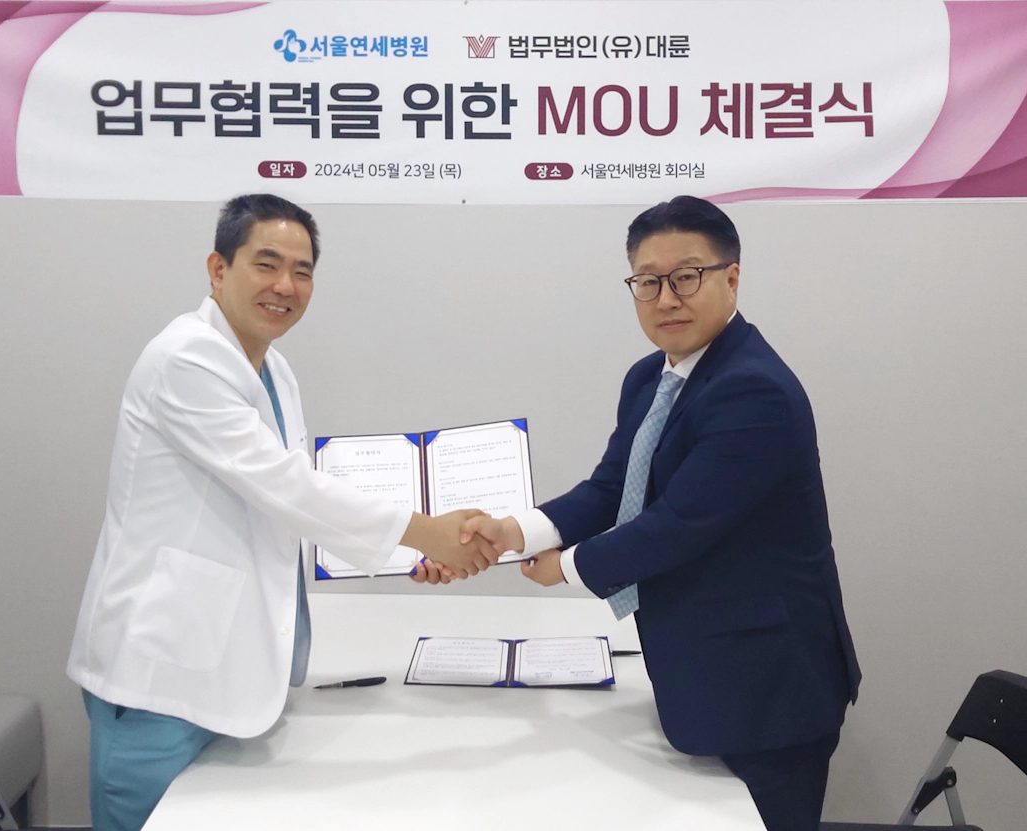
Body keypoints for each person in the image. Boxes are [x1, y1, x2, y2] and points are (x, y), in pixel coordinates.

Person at [67, 193, 499, 831]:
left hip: (232, 664)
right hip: (162, 674)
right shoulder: (186, 358)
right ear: (218, 269)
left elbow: (286, 504)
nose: (285, 286)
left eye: (302, 271)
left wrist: (415, 549)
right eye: (266, 264)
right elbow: (287, 488)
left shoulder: (273, 369)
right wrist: (425, 533)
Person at [433, 196, 861, 831]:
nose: (666, 299)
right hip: (699, 663)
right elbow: (610, 488)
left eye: (686, 277)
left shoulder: (753, 389)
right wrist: (512, 532)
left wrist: (566, 568)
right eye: (648, 281)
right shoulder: (649, 378)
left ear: (732, 278)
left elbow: (679, 526)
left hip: (769, 686)